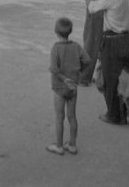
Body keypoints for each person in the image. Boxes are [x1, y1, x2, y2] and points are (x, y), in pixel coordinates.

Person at [81, 0, 129, 125]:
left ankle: (113, 114)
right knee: (124, 77)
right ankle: (124, 111)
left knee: (110, 79)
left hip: (112, 41)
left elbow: (91, 8)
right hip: (126, 40)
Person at [47, 17, 90, 156]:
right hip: (73, 87)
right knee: (72, 116)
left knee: (60, 116)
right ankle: (72, 145)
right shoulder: (76, 46)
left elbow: (54, 69)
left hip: (59, 88)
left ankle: (59, 146)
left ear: (55, 31)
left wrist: (64, 79)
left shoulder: (56, 48)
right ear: (70, 31)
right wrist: (78, 73)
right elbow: (87, 60)